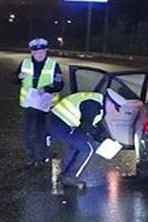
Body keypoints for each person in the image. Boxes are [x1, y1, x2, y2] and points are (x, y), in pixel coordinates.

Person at [16, 38, 63, 166]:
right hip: (30, 104)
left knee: (44, 132)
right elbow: (13, 79)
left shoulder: (53, 65)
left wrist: (47, 88)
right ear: (31, 52)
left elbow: (59, 85)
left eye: (42, 51)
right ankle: (33, 157)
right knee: (30, 131)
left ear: (46, 51)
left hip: (46, 105)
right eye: (36, 52)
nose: (39, 54)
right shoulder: (24, 63)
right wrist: (18, 77)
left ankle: (42, 155)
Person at [48, 89, 108, 188]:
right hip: (61, 124)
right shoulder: (93, 105)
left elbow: (93, 123)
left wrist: (101, 135)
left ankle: (64, 174)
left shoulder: (98, 100)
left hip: (59, 122)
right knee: (88, 149)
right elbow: (86, 126)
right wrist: (100, 137)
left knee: (76, 145)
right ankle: (71, 177)